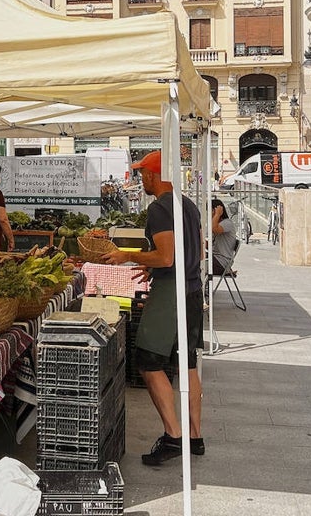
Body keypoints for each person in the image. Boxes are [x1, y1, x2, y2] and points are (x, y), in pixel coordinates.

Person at [103, 150, 204, 466]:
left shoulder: (160, 208)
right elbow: (195, 252)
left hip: (171, 294)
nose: (141, 178)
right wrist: (156, 266)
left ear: (154, 175)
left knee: (148, 361)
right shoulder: (187, 205)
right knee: (187, 363)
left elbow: (166, 257)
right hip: (192, 290)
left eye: (144, 173)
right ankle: (194, 437)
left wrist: (129, 256)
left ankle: (173, 436)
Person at [210, 199, 236, 275]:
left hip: (221, 262)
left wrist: (217, 215)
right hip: (216, 259)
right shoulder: (219, 224)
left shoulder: (227, 223)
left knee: (195, 263)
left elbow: (214, 229)